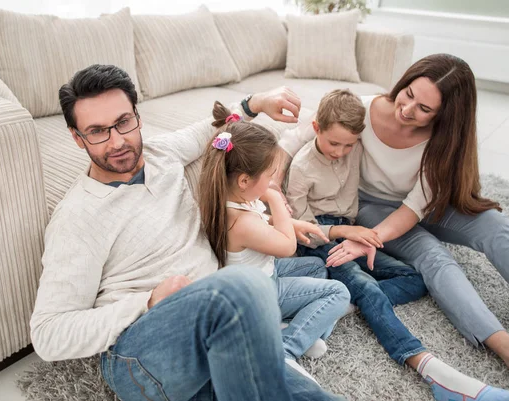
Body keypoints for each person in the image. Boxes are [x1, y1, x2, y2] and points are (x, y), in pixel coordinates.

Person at [29, 64, 346, 401]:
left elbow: (213, 132)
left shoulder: (160, 153)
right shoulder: (77, 217)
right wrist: (147, 302)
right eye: (97, 131)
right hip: (143, 353)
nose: (118, 140)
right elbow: (48, 333)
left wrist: (255, 103)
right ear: (78, 138)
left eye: (123, 122)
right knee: (245, 284)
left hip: (219, 328)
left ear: (137, 116)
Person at [277, 53, 509, 393]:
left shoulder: (445, 139)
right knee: (431, 255)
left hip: (427, 205)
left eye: (424, 109)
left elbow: (416, 207)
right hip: (374, 207)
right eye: (408, 94)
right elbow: (299, 135)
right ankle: (508, 348)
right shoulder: (363, 110)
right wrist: (275, 180)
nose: (407, 110)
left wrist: (369, 240)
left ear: (444, 115)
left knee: (498, 228)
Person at [198, 101, 351, 382]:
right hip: (258, 293)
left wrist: (294, 223)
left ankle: (283, 327)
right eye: (269, 177)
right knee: (338, 293)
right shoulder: (240, 221)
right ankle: (286, 348)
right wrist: (274, 198)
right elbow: (286, 246)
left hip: (263, 274)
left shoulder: (232, 200)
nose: (271, 182)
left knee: (317, 267)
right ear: (244, 180)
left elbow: (264, 222)